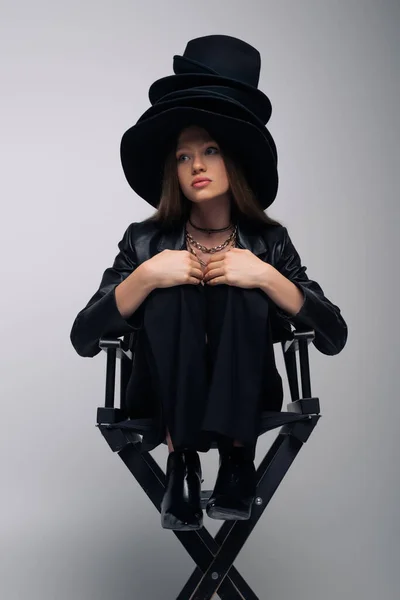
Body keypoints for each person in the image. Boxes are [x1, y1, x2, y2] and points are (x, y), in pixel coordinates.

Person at [70, 35, 348, 531]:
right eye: (183, 156)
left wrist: (264, 276)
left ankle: (237, 463)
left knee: (243, 280)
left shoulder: (268, 242)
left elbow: (333, 335)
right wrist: (147, 275)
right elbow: (84, 337)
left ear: (233, 160)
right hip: (162, 404)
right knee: (169, 284)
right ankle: (185, 462)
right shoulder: (144, 241)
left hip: (243, 402)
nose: (196, 165)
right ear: (172, 170)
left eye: (210, 150)